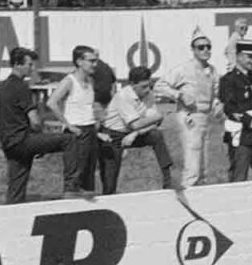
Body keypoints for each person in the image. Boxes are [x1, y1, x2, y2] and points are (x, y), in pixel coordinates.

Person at [0, 46, 68, 204]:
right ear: (17, 64)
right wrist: (40, 138)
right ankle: (72, 188)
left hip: (8, 142)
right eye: (29, 65)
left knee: (16, 186)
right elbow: (34, 121)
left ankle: (12, 213)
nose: (32, 68)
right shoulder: (21, 87)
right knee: (68, 140)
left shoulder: (3, 87)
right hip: (23, 140)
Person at [156, 32, 220, 189]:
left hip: (205, 116)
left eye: (208, 47)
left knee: (204, 163)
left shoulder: (212, 70)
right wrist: (179, 95)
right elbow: (159, 85)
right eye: (201, 47)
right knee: (193, 161)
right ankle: (188, 192)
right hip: (189, 116)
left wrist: (217, 104)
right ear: (193, 50)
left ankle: (201, 195)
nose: (205, 50)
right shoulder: (184, 69)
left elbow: (216, 92)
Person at [99, 65, 174, 193]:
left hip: (131, 133)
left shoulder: (149, 94)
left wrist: (135, 134)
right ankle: (107, 197)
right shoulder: (123, 96)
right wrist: (158, 116)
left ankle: (169, 181)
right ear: (132, 84)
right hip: (112, 135)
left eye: (149, 85)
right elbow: (137, 123)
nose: (147, 90)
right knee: (109, 183)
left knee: (156, 135)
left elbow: (155, 122)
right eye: (143, 86)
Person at [47, 45, 103, 196]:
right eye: (91, 61)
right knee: (74, 177)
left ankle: (88, 212)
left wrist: (97, 123)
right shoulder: (69, 81)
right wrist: (68, 125)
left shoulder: (90, 81)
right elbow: (52, 103)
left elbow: (89, 105)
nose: (95, 64)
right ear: (79, 61)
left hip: (90, 130)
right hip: (77, 132)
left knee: (89, 174)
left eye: (96, 61)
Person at [219, 39, 252, 182]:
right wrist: (249, 121)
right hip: (242, 135)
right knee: (239, 176)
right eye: (249, 57)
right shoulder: (229, 80)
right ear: (239, 56)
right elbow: (229, 108)